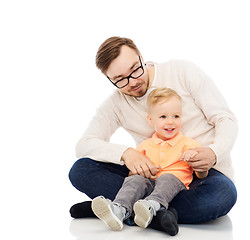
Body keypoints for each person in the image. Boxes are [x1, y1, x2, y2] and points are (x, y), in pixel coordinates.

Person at [69, 36, 238, 235]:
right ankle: (155, 213)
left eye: (135, 69)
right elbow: (85, 144)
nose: (133, 82)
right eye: (120, 79)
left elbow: (225, 118)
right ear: (109, 79)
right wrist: (127, 154)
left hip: (200, 175)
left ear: (141, 57)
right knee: (81, 170)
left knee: (222, 195)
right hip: (151, 176)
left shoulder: (182, 71)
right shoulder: (115, 104)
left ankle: (122, 208)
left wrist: (213, 153)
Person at [91, 88, 208, 235]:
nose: (170, 122)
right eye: (163, 117)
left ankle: (152, 206)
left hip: (174, 189)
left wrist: (197, 162)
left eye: (176, 116)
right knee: (134, 180)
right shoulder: (145, 146)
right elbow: (132, 172)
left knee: (167, 178)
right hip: (148, 186)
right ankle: (119, 209)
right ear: (151, 120)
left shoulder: (189, 144)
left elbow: (202, 175)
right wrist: (137, 172)